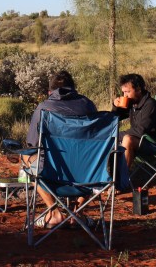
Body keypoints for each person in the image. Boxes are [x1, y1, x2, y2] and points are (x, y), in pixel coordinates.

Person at [24, 70, 97, 228]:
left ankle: (54, 211)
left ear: (50, 92)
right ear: (74, 88)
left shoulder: (44, 108)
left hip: (54, 171)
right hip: (87, 172)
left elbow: (32, 143)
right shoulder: (88, 104)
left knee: (25, 157)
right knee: (95, 159)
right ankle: (78, 213)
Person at [111, 73, 156, 169]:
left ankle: (120, 180)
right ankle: (108, 176)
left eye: (127, 92)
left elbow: (140, 131)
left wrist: (117, 136)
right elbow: (114, 119)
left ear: (139, 90)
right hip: (140, 141)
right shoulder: (133, 103)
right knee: (108, 139)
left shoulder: (150, 105)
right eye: (123, 92)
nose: (125, 96)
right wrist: (116, 106)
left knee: (127, 139)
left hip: (154, 143)